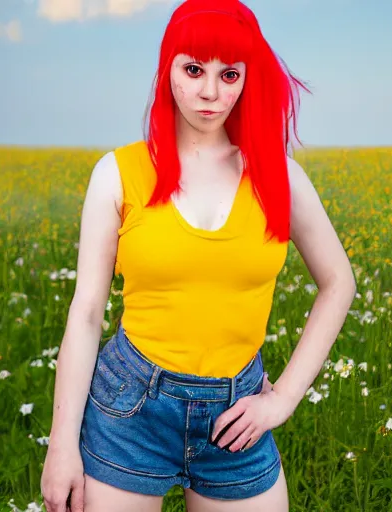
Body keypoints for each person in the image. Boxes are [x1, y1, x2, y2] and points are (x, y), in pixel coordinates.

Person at [41, 0, 357, 510]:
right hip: (130, 405)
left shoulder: (280, 177)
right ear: (168, 70)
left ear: (246, 78)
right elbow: (85, 313)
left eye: (228, 74)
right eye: (193, 70)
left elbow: (339, 282)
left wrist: (284, 397)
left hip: (237, 415)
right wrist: (61, 446)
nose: (210, 92)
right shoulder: (118, 173)